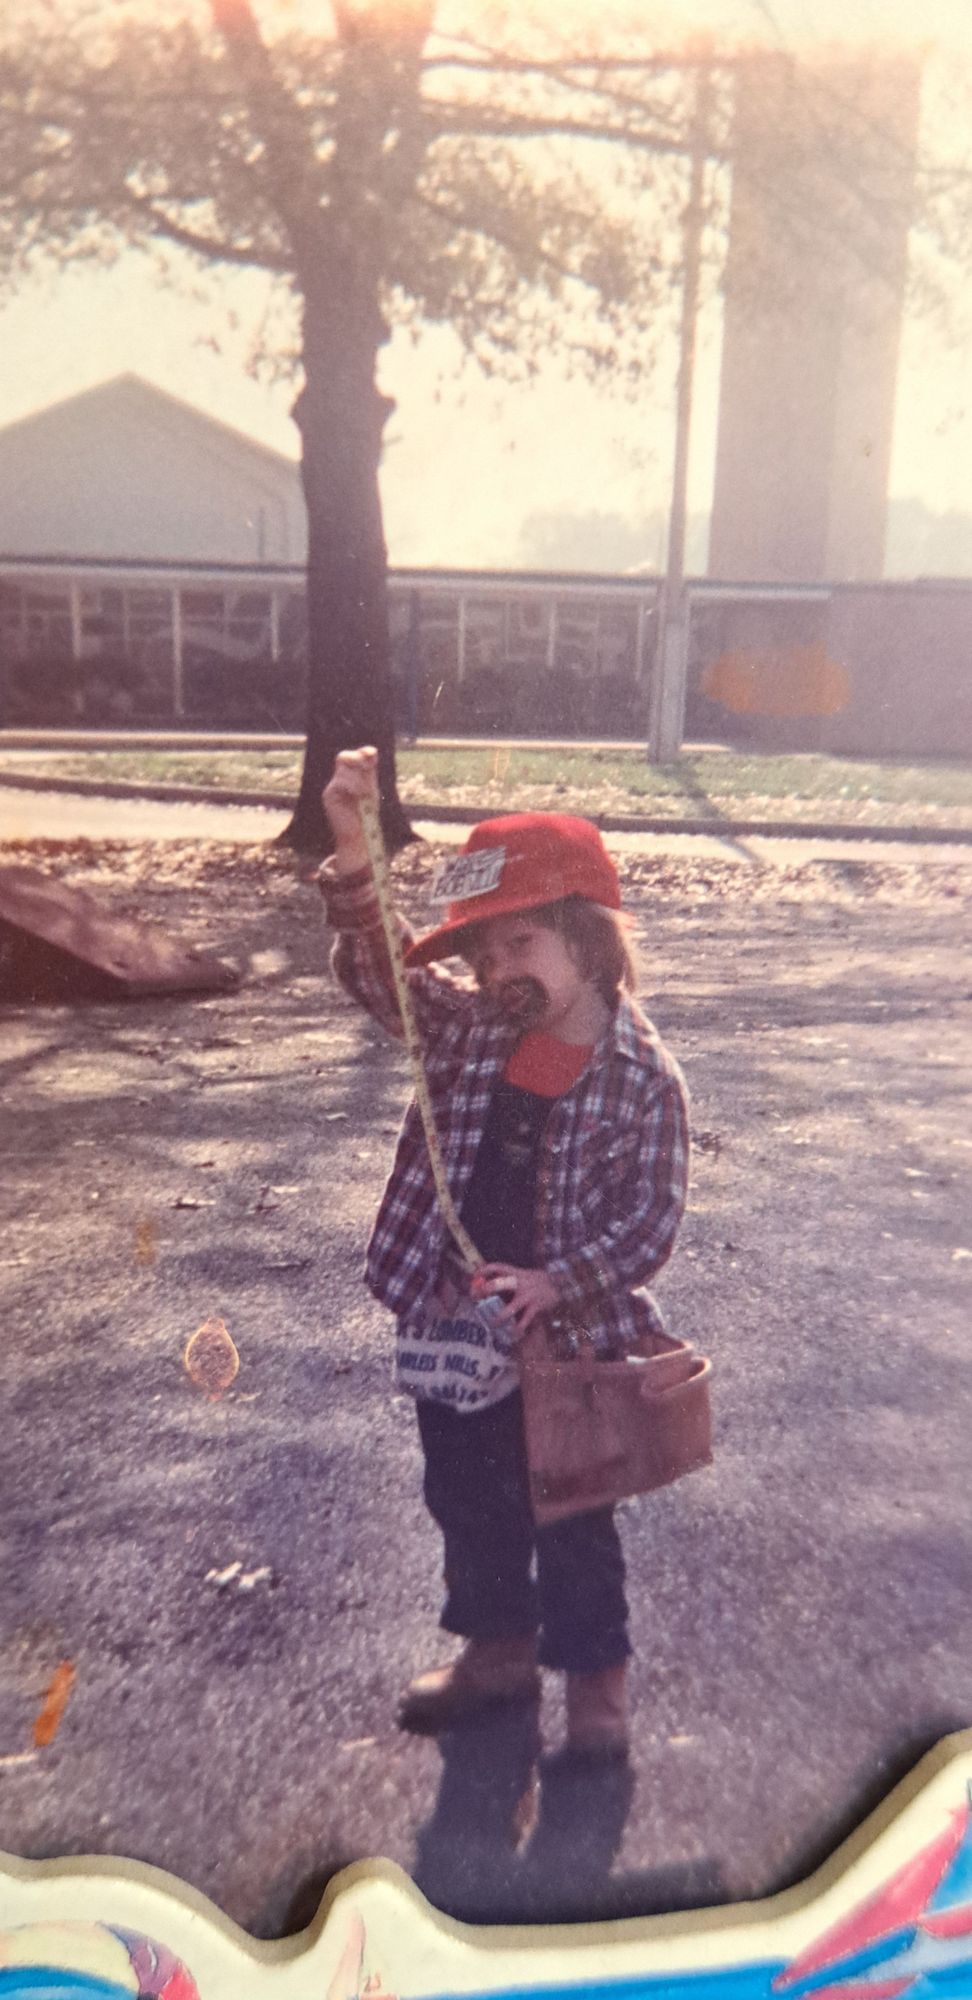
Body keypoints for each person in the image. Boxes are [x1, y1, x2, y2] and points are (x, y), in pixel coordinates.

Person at [320, 746, 690, 1762]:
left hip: (566, 1348)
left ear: (591, 941)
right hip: (460, 1325)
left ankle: (597, 1691)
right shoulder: (473, 1031)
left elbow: (651, 1220)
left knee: (574, 1519)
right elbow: (388, 973)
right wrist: (356, 848)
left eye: (522, 942)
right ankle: (497, 1650)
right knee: (468, 1495)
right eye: (482, 957)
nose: (497, 973)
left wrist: (557, 1280)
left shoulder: (641, 1076)